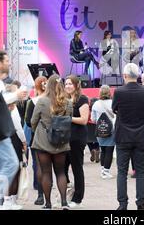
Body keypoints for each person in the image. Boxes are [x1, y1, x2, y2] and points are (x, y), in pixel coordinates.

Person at [0, 50, 27, 210]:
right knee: (11, 163)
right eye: (7, 60)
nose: (9, 63)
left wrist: (14, 97)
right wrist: (15, 95)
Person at [112, 63, 144, 210]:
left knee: (122, 172)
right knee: (140, 171)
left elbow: (114, 109)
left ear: (124, 76)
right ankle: (141, 204)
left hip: (123, 136)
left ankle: (122, 204)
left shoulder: (118, 92)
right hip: (141, 136)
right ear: (138, 76)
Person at [31, 74, 73, 210]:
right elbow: (69, 120)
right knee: (61, 172)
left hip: (43, 141)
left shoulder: (42, 101)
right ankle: (64, 202)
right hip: (61, 142)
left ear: (47, 86)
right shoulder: (67, 102)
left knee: (46, 173)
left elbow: (33, 121)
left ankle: (48, 204)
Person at [64, 75, 89, 208]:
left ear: (76, 85)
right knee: (62, 168)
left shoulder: (82, 99)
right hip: (64, 139)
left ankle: (77, 198)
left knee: (76, 168)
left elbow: (84, 120)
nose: (67, 86)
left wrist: (68, 118)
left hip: (77, 139)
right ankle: (69, 188)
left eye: (70, 84)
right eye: (66, 84)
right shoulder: (64, 99)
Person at [24, 75, 47, 206]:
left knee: (38, 165)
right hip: (51, 137)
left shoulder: (31, 102)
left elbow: (28, 122)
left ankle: (40, 195)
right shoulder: (53, 100)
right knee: (50, 166)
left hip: (36, 138)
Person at [5, 83, 27, 210]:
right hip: (14, 139)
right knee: (14, 170)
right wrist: (24, 141)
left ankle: (7, 199)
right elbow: (18, 127)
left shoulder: (0, 107)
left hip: (3, 138)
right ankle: (10, 199)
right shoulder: (13, 109)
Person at [91, 85, 116, 179]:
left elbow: (93, 119)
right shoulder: (113, 103)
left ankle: (103, 170)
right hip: (111, 130)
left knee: (103, 150)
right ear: (109, 92)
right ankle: (106, 171)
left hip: (100, 130)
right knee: (109, 150)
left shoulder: (96, 104)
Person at [87, 97, 101, 163]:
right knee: (97, 140)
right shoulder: (99, 110)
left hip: (88, 128)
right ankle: (97, 149)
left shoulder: (87, 110)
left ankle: (92, 150)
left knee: (88, 140)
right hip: (96, 127)